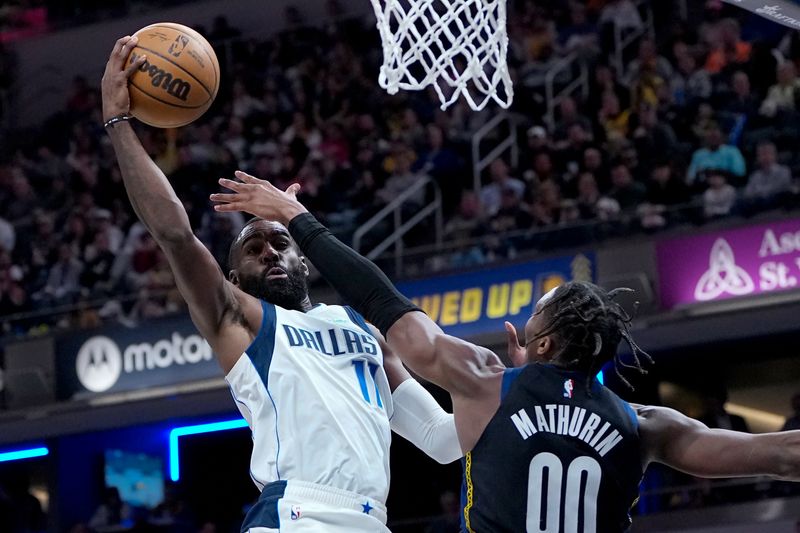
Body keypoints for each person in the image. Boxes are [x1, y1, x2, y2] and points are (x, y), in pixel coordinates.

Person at [212, 175, 800, 532]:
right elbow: (779, 454)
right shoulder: (644, 425)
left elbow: (386, 304)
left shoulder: (491, 384)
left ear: (539, 344)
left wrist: (299, 219)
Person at [101, 36, 464, 533]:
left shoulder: (365, 333)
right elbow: (174, 235)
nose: (270, 251)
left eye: (280, 242)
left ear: (305, 259)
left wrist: (505, 385)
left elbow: (443, 442)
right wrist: (119, 124)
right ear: (233, 280)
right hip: (296, 514)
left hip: (372, 521)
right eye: (252, 249)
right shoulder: (241, 321)